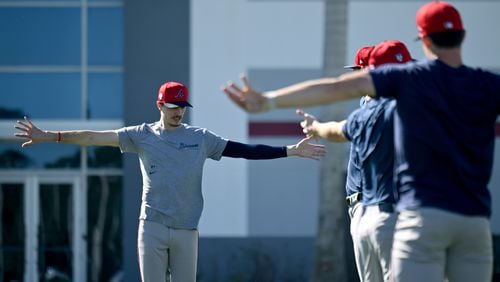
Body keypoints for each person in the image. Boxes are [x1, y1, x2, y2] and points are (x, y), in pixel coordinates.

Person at [221, 2, 500, 281]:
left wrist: (270, 102)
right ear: (463, 36)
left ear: (424, 39)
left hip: (423, 215)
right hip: (475, 221)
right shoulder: (488, 84)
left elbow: (339, 87)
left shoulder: (409, 80)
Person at [14, 81, 327, 282]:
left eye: (183, 107)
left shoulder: (201, 138)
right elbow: (94, 137)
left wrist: (290, 151)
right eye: (173, 106)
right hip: (151, 227)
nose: (179, 112)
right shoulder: (141, 136)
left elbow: (243, 150)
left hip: (186, 231)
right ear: (160, 106)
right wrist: (51, 137)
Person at [297, 40, 411, 282]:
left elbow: (338, 130)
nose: (357, 79)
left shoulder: (387, 107)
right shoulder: (367, 108)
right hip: (363, 207)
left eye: (360, 72)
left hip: (382, 207)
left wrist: (315, 127)